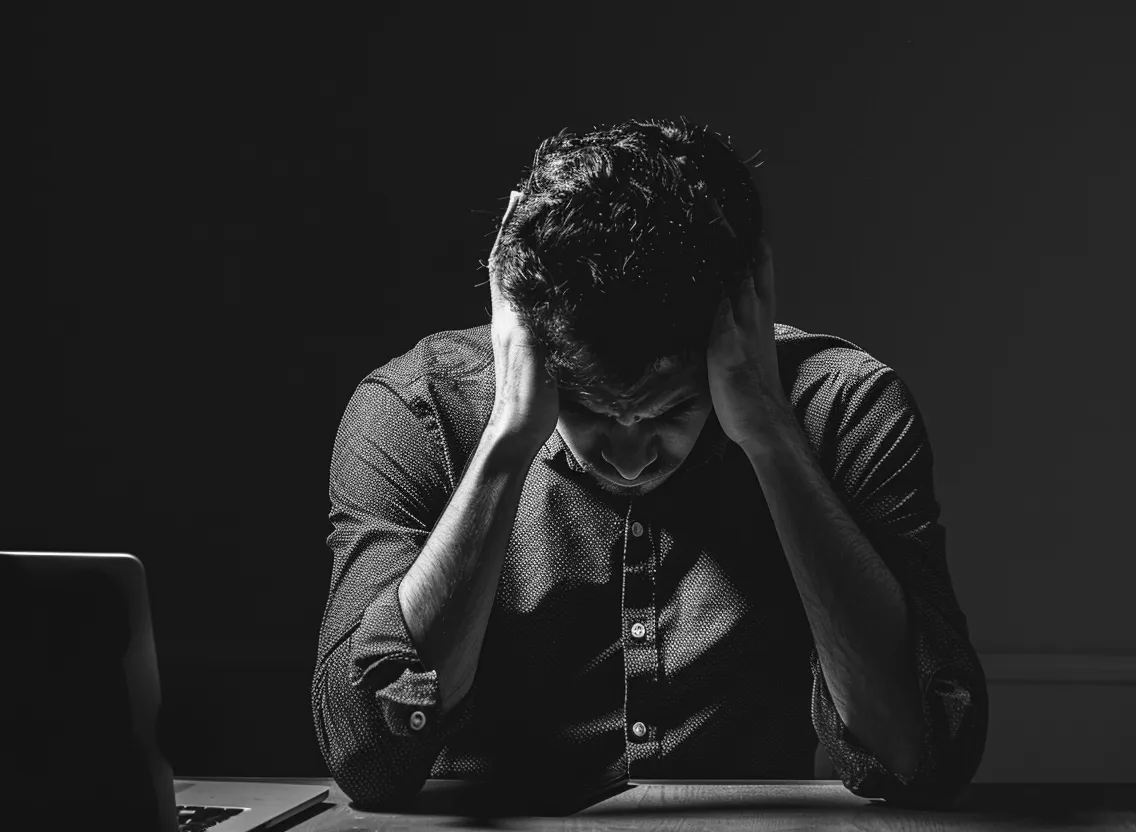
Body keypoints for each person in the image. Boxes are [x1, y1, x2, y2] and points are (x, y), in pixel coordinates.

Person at [311, 117, 987, 810]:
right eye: (587, 409)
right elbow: (368, 757)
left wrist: (769, 432)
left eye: (671, 412)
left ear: (745, 313)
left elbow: (922, 756)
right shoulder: (412, 410)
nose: (630, 461)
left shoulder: (844, 408)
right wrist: (507, 441)